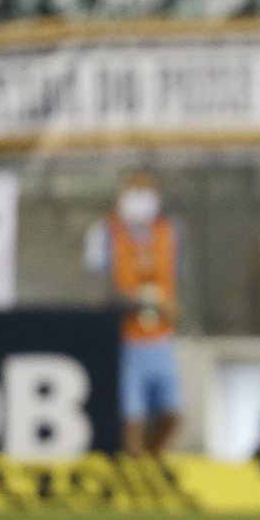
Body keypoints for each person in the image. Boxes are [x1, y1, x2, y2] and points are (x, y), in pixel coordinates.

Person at [84, 171, 183, 456]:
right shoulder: (104, 233)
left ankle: (149, 468)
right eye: (134, 190)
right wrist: (139, 302)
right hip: (124, 339)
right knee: (131, 419)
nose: (140, 198)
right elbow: (99, 296)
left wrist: (169, 308)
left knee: (172, 412)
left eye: (146, 190)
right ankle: (135, 472)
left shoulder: (169, 232)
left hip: (160, 337)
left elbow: (174, 282)